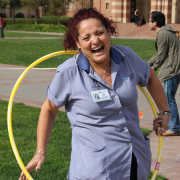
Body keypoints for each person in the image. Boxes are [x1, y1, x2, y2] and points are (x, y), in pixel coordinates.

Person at [19, 8, 169, 180]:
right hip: (94, 169)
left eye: (100, 33)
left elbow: (149, 74)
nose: (95, 41)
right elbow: (49, 109)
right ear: (77, 42)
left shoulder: (126, 57)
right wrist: (40, 152)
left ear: (109, 32)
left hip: (134, 162)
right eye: (86, 37)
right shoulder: (69, 72)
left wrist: (164, 111)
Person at [147, 11, 180, 136]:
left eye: (149, 21)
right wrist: (147, 64)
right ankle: (174, 126)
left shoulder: (163, 34)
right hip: (174, 68)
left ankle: (174, 128)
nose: (148, 23)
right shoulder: (166, 33)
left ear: (155, 23)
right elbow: (159, 54)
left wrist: (153, 68)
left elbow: (161, 56)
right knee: (169, 99)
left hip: (171, 70)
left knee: (168, 100)